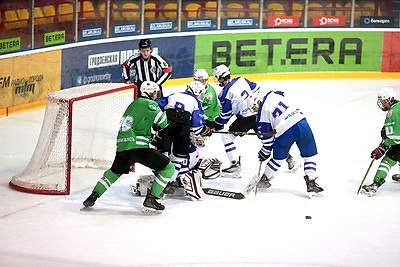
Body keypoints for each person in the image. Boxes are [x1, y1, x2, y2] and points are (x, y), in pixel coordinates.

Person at [82, 81, 175, 213]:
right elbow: (163, 122)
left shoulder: (133, 103)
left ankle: (93, 196)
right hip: (138, 148)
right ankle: (151, 199)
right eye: (154, 92)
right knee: (168, 168)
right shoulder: (150, 104)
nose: (156, 95)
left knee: (112, 174)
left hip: (122, 147)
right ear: (148, 93)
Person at [246, 90, 323, 198]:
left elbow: (268, 142)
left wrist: (264, 152)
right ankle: (311, 182)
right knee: (309, 155)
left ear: (256, 104)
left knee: (278, 158)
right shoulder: (272, 94)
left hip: (285, 132)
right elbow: (282, 93)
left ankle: (265, 178)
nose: (254, 111)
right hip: (301, 122)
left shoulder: (261, 117)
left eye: (253, 108)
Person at [155, 80, 211, 185]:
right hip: (182, 129)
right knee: (177, 158)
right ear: (196, 91)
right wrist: (205, 131)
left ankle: (159, 178)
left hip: (166, 125)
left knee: (163, 154)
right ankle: (169, 183)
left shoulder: (173, 95)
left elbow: (156, 107)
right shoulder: (196, 102)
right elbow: (196, 128)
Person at [212, 64, 259, 177]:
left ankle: (235, 165)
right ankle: (289, 160)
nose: (218, 81)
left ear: (222, 78)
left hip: (246, 118)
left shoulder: (224, 94)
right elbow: (256, 88)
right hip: (258, 112)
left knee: (226, 136)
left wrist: (215, 124)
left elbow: (224, 117)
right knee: (267, 138)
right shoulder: (241, 79)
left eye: (218, 78)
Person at [362, 87, 400, 196]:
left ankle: (375, 184)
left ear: (390, 99)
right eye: (381, 102)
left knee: (388, 160)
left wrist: (382, 147)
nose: (383, 104)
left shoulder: (392, 113)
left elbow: (396, 138)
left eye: (384, 102)